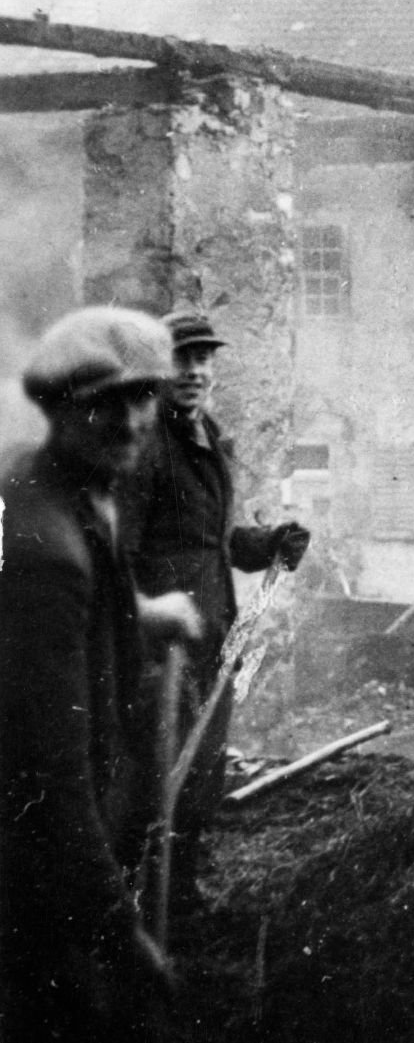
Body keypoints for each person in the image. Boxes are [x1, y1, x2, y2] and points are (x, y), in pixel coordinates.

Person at [1, 306, 192, 1042]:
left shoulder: (50, 485)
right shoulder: (47, 545)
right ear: (58, 408)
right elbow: (53, 778)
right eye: (105, 403)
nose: (132, 421)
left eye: (143, 396)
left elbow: (74, 617)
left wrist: (145, 613)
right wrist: (120, 932)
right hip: (38, 873)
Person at [119, 309, 309, 915]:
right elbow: (119, 557)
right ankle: (134, 909)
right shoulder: (145, 445)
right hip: (161, 647)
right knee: (154, 777)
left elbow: (215, 542)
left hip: (213, 637)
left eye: (203, 359)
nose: (195, 371)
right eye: (181, 359)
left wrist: (269, 543)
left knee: (200, 772)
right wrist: (145, 629)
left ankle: (180, 897)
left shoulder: (209, 438)